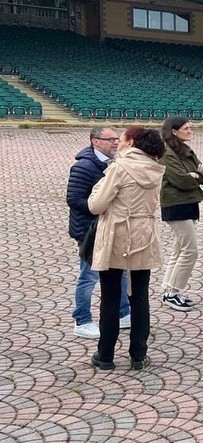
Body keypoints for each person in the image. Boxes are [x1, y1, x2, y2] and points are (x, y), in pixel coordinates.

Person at [86, 127, 166, 371]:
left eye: (121, 139)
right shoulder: (155, 169)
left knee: (110, 296)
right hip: (144, 233)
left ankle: (105, 355)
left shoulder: (119, 167)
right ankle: (139, 355)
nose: (118, 143)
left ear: (131, 142)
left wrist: (97, 188)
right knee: (140, 297)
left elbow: (96, 205)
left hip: (117, 234)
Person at [66, 126, 130, 339]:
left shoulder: (114, 163)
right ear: (95, 141)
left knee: (120, 271)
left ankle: (123, 313)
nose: (115, 142)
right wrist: (100, 208)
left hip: (110, 228)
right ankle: (82, 319)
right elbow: (74, 199)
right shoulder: (84, 166)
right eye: (110, 139)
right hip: (90, 230)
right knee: (89, 276)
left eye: (117, 139)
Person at [158, 117, 203, 312]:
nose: (190, 131)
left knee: (179, 249)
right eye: (186, 128)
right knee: (190, 250)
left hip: (189, 202)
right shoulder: (167, 152)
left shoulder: (184, 149)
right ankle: (173, 293)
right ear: (174, 131)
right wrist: (196, 174)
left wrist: (197, 175)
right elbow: (180, 180)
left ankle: (168, 289)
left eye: (190, 128)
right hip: (176, 204)